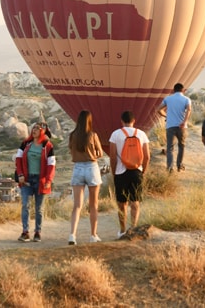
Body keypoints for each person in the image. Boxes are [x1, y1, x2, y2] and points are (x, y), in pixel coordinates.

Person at [108, 111, 150, 239]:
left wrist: (114, 172)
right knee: (135, 201)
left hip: (121, 172)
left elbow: (113, 157)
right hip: (137, 171)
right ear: (134, 120)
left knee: (121, 203)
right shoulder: (141, 134)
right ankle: (134, 228)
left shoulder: (115, 134)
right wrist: (143, 171)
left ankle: (122, 230)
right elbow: (147, 156)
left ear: (121, 121)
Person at [14, 122, 56, 242]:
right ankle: (25, 232)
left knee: (39, 208)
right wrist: (20, 174)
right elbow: (18, 159)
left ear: (43, 131)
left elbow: (51, 165)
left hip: (40, 180)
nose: (34, 130)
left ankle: (37, 232)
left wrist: (48, 180)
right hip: (27, 180)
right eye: (33, 128)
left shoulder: (48, 146)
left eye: (38, 128)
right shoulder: (25, 144)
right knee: (25, 205)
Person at [68, 110, 105, 245]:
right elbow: (100, 153)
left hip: (77, 168)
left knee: (77, 205)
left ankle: (72, 235)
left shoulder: (72, 135)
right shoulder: (92, 135)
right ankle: (93, 235)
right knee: (93, 205)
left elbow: (71, 151)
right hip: (91, 167)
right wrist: (92, 153)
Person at [157, 83, 191, 173]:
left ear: (173, 90)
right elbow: (189, 110)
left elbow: (158, 110)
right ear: (183, 90)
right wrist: (184, 121)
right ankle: (179, 165)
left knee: (170, 148)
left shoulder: (168, 99)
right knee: (181, 146)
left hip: (170, 126)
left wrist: (167, 116)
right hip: (182, 126)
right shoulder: (186, 99)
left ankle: (170, 168)